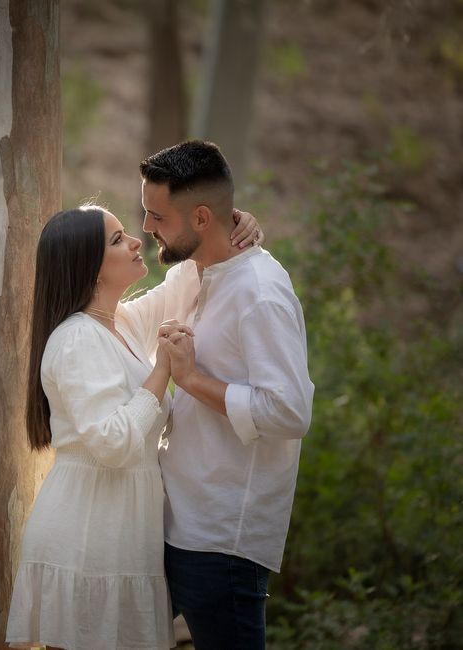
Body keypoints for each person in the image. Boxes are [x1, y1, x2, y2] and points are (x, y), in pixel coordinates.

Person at [5, 202, 261, 650]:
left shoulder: (118, 325)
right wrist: (162, 369)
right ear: (90, 266)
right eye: (118, 238)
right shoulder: (76, 339)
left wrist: (228, 224)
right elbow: (114, 443)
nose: (136, 241)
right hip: (87, 540)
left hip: (121, 536)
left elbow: (183, 280)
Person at [140, 140, 315, 650]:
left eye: (156, 216)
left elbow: (289, 411)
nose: (147, 227)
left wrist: (191, 380)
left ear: (199, 217)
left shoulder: (260, 293)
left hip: (222, 537)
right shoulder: (192, 274)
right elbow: (121, 322)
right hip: (176, 520)